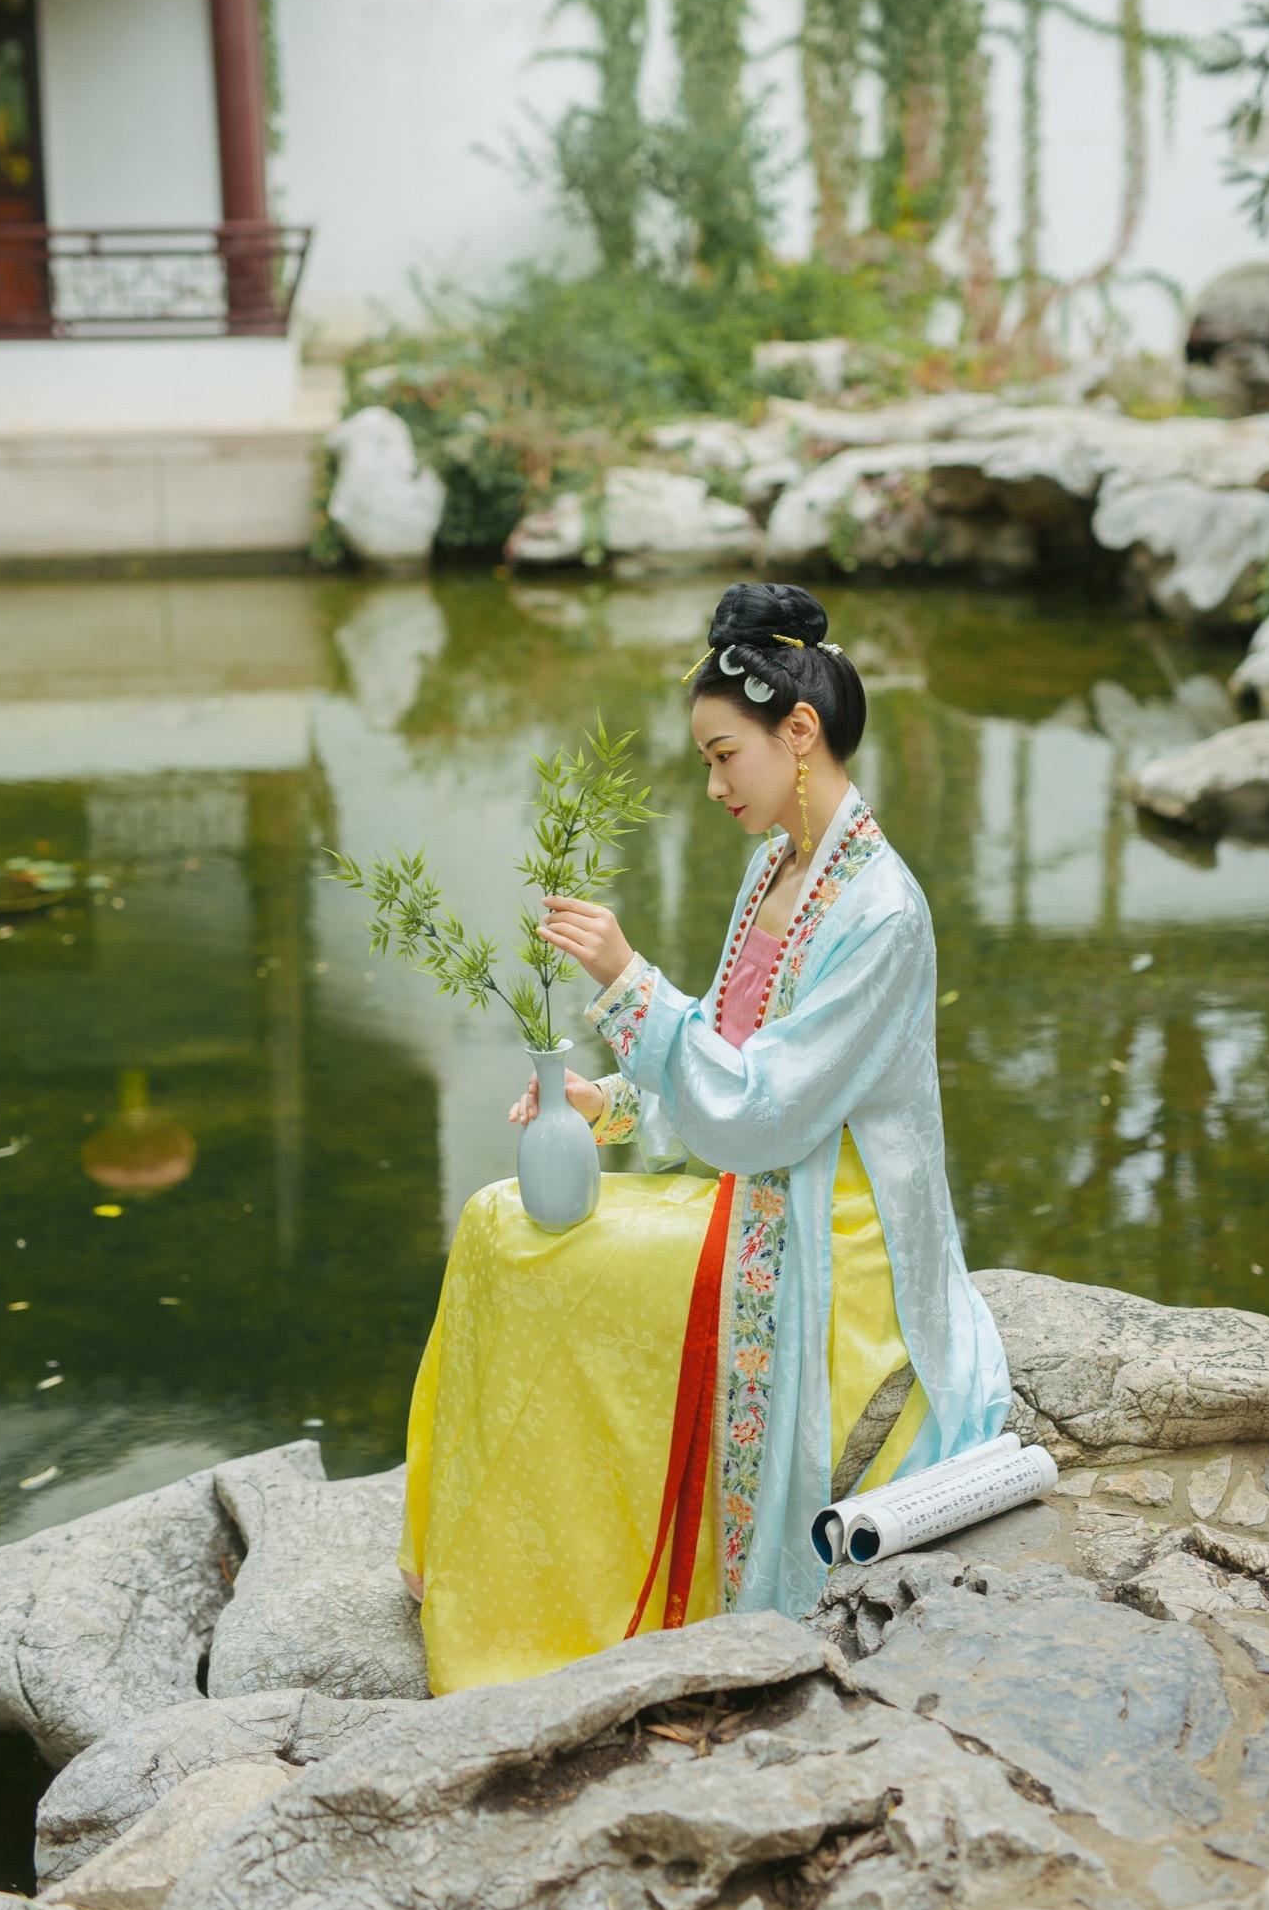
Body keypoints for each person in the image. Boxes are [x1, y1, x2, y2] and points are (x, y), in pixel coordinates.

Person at [398, 581, 1011, 1694]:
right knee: (496, 1221)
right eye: (708, 761)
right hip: (758, 1182)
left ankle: (565, 1594)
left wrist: (629, 981)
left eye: (727, 756)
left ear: (800, 730)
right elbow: (723, 1083)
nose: (717, 785)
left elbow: (762, 1111)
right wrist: (612, 1104)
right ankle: (485, 1569)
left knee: (545, 1260)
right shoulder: (777, 866)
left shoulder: (880, 910)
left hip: (831, 1235)